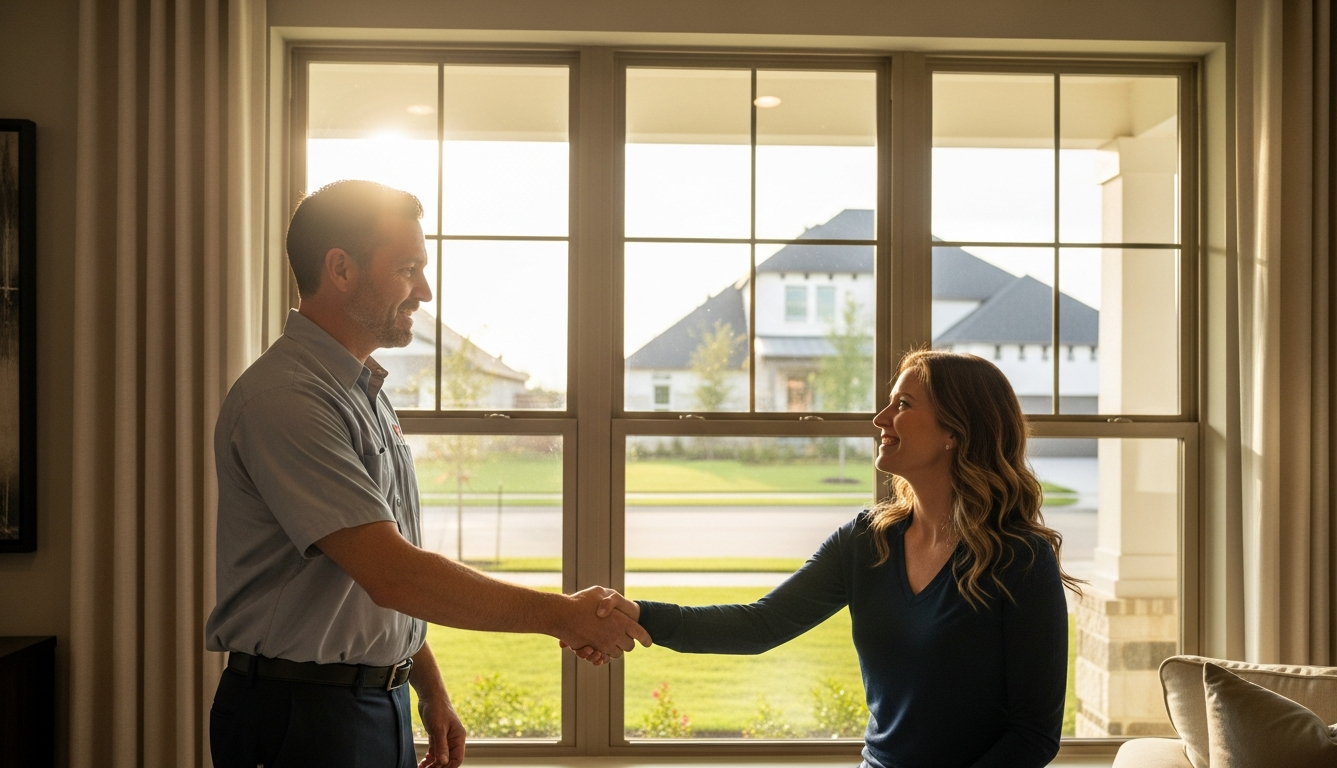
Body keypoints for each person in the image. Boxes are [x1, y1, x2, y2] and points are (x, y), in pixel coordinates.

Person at [205, 180, 649, 768]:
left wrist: (426, 687)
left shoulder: (361, 391)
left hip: (364, 705)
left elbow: (376, 587)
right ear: (340, 268)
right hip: (302, 719)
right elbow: (394, 574)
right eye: (408, 268)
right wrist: (560, 615)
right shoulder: (288, 399)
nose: (426, 290)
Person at [580, 350, 1078, 767]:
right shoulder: (866, 541)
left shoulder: (1020, 560)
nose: (881, 420)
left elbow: (1033, 735)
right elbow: (761, 625)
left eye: (903, 405)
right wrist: (639, 615)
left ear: (956, 430)